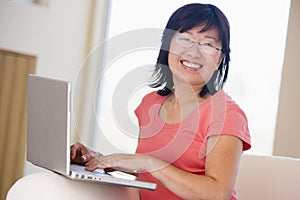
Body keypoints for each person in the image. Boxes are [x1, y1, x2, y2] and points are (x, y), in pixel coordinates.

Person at [71, 3, 251, 200]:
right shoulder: (150, 103)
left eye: (208, 44)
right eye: (185, 39)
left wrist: (150, 162)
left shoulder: (227, 114)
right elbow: (151, 175)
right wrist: (100, 160)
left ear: (219, 59)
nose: (194, 52)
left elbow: (217, 194)